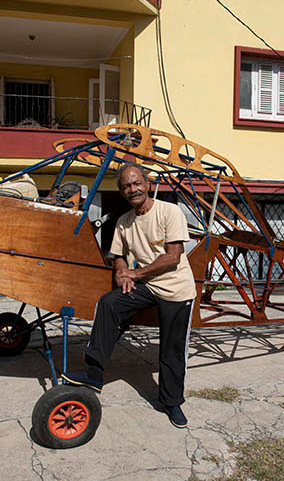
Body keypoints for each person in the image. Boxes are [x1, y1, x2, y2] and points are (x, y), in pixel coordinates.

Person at [61, 163, 196, 428]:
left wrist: (135, 274)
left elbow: (173, 256)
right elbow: (119, 257)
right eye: (126, 186)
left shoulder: (169, 211)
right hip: (149, 285)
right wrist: (122, 272)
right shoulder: (124, 222)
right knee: (110, 302)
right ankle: (95, 373)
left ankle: (172, 402)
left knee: (171, 350)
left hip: (177, 289)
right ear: (122, 191)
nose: (132, 189)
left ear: (146, 184)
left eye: (136, 183)